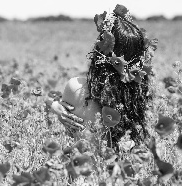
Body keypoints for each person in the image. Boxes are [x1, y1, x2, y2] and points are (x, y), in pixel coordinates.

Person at [47, 4, 157, 149]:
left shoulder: (76, 89)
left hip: (81, 170)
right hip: (127, 171)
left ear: (100, 50)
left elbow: (60, 129)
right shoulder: (142, 99)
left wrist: (52, 105)